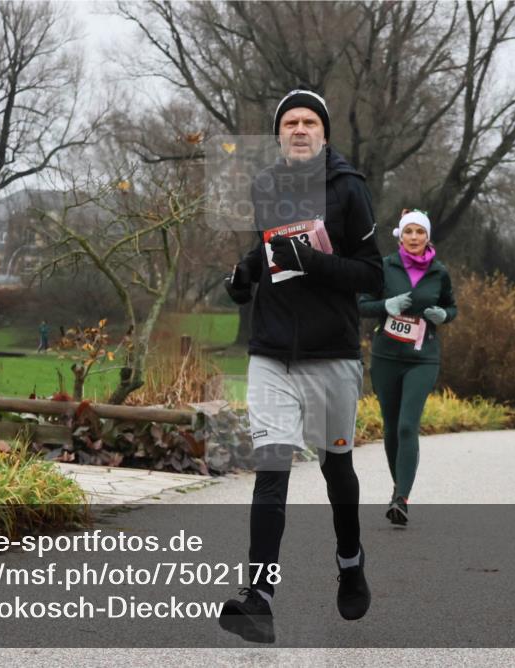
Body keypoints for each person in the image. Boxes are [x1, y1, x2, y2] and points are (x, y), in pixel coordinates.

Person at [219, 88, 382, 643]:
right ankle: (259, 597)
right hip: (272, 355)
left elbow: (373, 275)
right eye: (290, 122)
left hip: (332, 354)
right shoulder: (265, 185)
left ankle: (350, 559)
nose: (299, 129)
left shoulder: (349, 189)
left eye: (310, 121)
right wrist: (243, 279)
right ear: (279, 133)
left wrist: (312, 261)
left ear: (325, 133)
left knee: (338, 469)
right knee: (271, 471)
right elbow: (263, 251)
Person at [358, 209, 456, 526]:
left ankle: (401, 498)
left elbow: (451, 306)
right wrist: (384, 306)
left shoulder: (439, 272)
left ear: (428, 237)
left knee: (406, 426)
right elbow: (360, 304)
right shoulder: (385, 267)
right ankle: (398, 491)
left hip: (423, 358)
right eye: (409, 231)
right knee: (390, 428)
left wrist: (444, 315)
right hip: (387, 357)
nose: (415, 237)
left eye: (420, 232)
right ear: (401, 235)